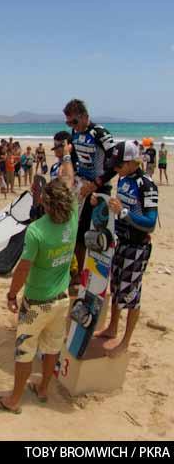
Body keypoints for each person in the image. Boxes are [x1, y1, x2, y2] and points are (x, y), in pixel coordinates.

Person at [0, 149, 75, 413]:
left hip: (37, 301)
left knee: (24, 351)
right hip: (62, 299)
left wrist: (11, 294)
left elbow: (23, 269)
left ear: (46, 204)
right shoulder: (73, 220)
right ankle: (42, 389)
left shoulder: (37, 231)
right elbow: (70, 180)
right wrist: (68, 158)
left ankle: (13, 400)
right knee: (52, 349)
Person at [94, 141, 158, 358]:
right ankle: (112, 326)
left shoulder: (146, 185)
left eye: (119, 164)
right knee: (116, 287)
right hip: (120, 242)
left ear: (132, 162)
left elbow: (150, 222)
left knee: (131, 294)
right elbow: (118, 206)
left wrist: (123, 213)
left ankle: (126, 341)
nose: (116, 168)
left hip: (137, 246)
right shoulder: (123, 179)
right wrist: (101, 202)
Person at [63, 99, 117, 275]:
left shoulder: (100, 133)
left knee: (98, 234)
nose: (72, 126)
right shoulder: (75, 133)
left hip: (100, 189)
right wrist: (75, 176)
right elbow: (75, 157)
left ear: (85, 116)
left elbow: (116, 163)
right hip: (82, 188)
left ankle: (98, 273)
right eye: (68, 122)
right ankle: (80, 273)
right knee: (79, 232)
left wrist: (95, 184)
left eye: (75, 121)